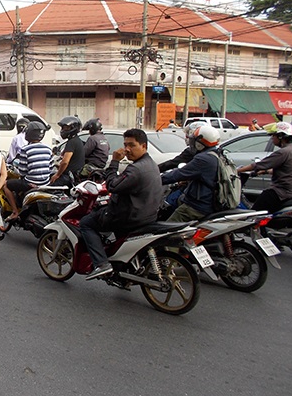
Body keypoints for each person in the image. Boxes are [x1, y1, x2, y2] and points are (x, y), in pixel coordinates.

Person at [79, 129, 163, 280]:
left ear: (143, 146)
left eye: (132, 145)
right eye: (125, 145)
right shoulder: (151, 164)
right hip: (147, 215)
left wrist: (115, 162)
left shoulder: (136, 169)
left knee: (86, 223)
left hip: (128, 217)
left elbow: (111, 185)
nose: (127, 149)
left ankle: (101, 263)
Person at [237, 122, 292, 213]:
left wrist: (237, 170)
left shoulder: (283, 152)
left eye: (273, 135)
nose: (272, 138)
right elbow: (288, 170)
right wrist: (265, 172)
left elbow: (259, 165)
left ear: (280, 136)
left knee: (254, 214)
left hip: (281, 193)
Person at [161, 125, 220, 222]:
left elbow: (178, 174)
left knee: (166, 230)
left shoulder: (203, 159)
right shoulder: (216, 153)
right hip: (211, 202)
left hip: (197, 206)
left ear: (200, 143)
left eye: (194, 140)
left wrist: (155, 179)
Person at [2, 121, 54, 220]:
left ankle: (15, 211)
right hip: (45, 183)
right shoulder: (48, 149)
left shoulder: (25, 149)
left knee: (6, 185)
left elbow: (22, 172)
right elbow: (51, 168)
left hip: (31, 183)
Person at [50, 116, 84, 186]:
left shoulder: (71, 142)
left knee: (46, 190)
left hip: (68, 177)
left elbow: (65, 162)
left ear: (73, 128)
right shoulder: (77, 140)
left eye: (65, 127)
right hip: (74, 176)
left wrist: (57, 175)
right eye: (62, 127)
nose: (63, 130)